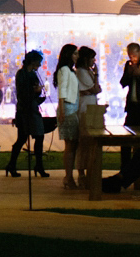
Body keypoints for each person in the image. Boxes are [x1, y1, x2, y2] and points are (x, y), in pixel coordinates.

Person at [4, 50, 50, 178]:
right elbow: (22, 93)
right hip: (25, 111)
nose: (39, 65)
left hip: (32, 109)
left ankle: (33, 165)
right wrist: (35, 90)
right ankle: (15, 165)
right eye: (38, 63)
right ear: (33, 61)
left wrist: (38, 93)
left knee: (36, 137)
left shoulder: (31, 74)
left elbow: (33, 93)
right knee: (23, 138)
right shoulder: (22, 74)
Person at [54, 44, 81, 189]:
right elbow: (62, 90)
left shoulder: (71, 71)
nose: (77, 57)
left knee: (72, 144)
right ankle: (68, 176)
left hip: (72, 108)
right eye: (75, 54)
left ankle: (69, 176)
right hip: (68, 108)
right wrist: (63, 110)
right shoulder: (64, 70)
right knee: (70, 145)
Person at [74, 46, 101, 186]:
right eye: (92, 58)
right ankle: (82, 173)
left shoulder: (88, 72)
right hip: (85, 109)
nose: (94, 61)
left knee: (91, 142)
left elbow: (97, 89)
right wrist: (95, 78)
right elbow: (95, 88)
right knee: (83, 141)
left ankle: (89, 171)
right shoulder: (81, 72)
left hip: (91, 107)